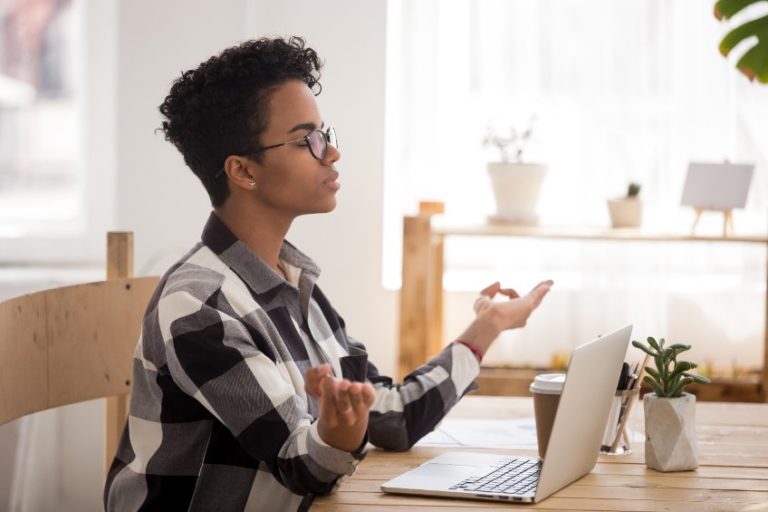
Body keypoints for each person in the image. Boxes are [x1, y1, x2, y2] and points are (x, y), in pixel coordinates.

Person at [103, 36, 552, 512]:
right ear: (242, 170)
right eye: (306, 141)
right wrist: (337, 435)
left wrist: (488, 326)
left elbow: (393, 417)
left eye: (325, 134)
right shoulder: (200, 306)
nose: (331, 154)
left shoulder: (293, 284)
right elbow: (303, 465)